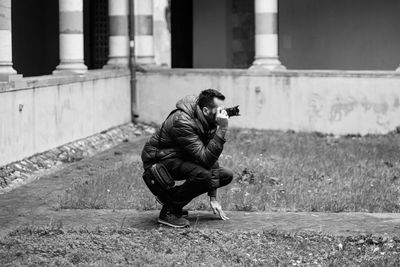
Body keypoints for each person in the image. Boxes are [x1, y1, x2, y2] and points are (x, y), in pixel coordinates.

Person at [141, 89, 234, 228]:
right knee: (203, 175)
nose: (223, 113)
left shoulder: (207, 120)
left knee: (225, 175)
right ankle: (169, 211)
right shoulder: (183, 121)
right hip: (159, 159)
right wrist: (222, 129)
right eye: (219, 110)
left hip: (180, 156)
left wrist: (213, 197)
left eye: (223, 108)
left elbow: (211, 157)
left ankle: (171, 198)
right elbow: (205, 159)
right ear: (206, 110)